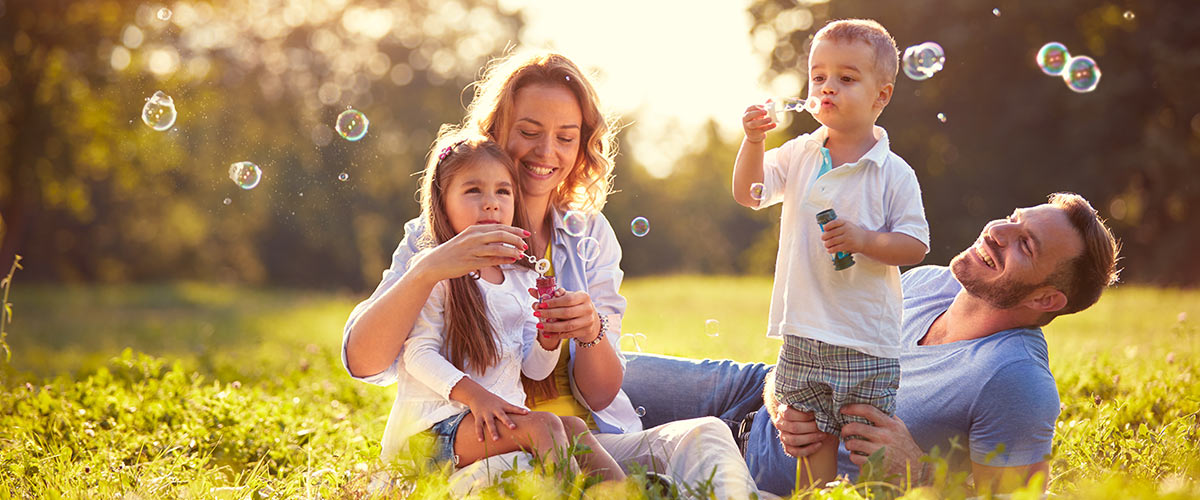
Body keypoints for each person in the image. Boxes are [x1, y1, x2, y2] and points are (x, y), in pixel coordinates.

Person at [342, 51, 759, 497]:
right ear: (494, 132)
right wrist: (427, 269)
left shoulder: (589, 235)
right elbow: (364, 361)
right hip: (481, 448)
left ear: (583, 144)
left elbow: (597, 396)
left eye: (566, 137)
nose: (546, 152)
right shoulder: (437, 236)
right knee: (523, 480)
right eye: (528, 132)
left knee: (707, 436)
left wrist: (589, 331)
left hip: (584, 441)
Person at [621, 192, 1120, 496]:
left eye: (1025, 244)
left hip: (767, 472)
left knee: (588, 449)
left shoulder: (1016, 380)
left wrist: (920, 473)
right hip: (751, 391)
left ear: (1047, 298)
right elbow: (816, 344)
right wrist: (779, 392)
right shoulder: (928, 283)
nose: (998, 231)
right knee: (589, 370)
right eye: (1013, 218)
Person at [732, 18, 929, 485]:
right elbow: (750, 192)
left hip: (865, 336)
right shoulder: (801, 153)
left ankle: (878, 492)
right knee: (810, 437)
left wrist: (864, 240)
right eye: (818, 77)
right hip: (804, 328)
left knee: (867, 440)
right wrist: (754, 141)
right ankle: (820, 495)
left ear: (881, 96)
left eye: (846, 78)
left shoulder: (893, 173)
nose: (827, 88)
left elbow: (915, 245)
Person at [394, 136, 624, 480]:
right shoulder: (435, 271)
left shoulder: (519, 278)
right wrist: (477, 397)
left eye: (503, 192)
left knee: (574, 428)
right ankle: (569, 492)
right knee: (544, 425)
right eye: (474, 191)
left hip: (495, 423)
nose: (490, 204)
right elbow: (416, 354)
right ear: (442, 204)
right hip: (434, 431)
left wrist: (548, 338)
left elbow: (534, 370)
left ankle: (629, 490)